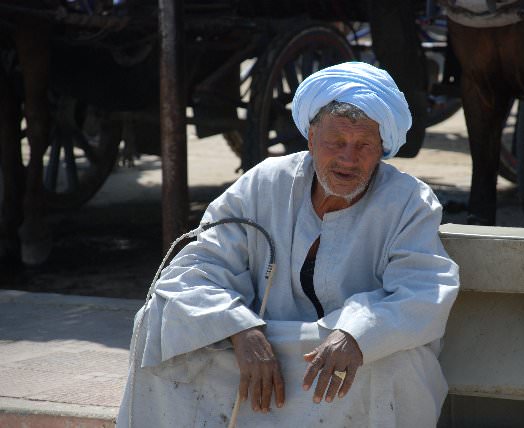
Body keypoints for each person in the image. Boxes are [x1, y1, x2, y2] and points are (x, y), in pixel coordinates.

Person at [118, 61, 459, 428]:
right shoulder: (265, 183)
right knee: (158, 323)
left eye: (364, 145)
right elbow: (194, 269)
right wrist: (239, 329)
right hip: (263, 346)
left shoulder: (408, 202)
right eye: (336, 142)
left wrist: (357, 334)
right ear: (311, 139)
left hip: (346, 352)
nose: (348, 158)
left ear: (383, 148)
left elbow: (424, 291)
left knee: (396, 362)